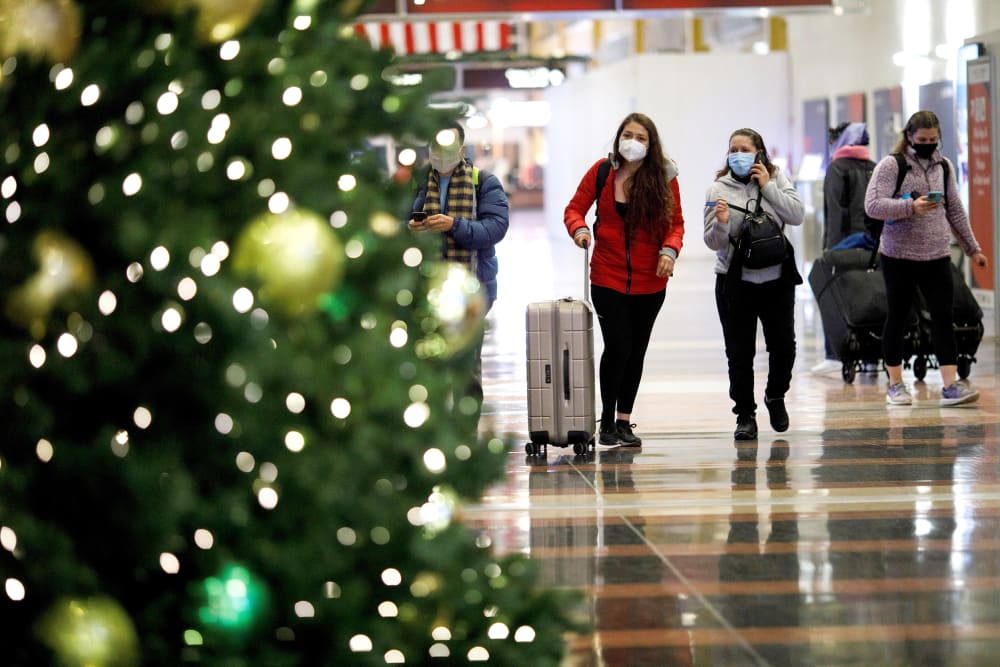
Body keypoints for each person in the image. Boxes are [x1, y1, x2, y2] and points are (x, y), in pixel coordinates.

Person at [563, 112, 685, 447]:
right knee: (618, 345)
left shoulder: (664, 177)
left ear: (651, 144)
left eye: (641, 137)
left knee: (637, 350)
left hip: (651, 282)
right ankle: (606, 423)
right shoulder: (602, 172)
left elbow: (676, 224)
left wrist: (668, 252)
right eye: (628, 135)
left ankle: (624, 421)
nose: (633, 142)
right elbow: (574, 209)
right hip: (607, 277)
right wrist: (580, 230)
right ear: (618, 138)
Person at [864, 110, 987, 407]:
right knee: (898, 316)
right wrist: (909, 208)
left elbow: (955, 210)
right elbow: (873, 205)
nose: (928, 144)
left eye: (933, 140)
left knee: (944, 318)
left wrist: (973, 248)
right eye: (922, 139)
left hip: (936, 255)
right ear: (909, 136)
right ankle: (895, 384)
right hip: (898, 255)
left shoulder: (943, 167)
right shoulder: (892, 166)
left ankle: (950, 385)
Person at [704, 128, 804, 440]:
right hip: (735, 283)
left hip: (776, 279)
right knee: (739, 352)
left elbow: (797, 214)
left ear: (759, 152)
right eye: (733, 148)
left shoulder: (778, 179)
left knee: (784, 347)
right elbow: (710, 241)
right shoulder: (716, 188)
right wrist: (720, 224)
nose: (738, 154)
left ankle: (775, 396)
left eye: (745, 148)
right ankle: (745, 415)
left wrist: (768, 186)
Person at [409, 122, 509, 403]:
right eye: (436, 146)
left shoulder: (483, 182)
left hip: (472, 291)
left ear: (463, 149)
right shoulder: (418, 183)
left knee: (466, 372)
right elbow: (393, 221)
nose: (441, 153)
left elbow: (496, 228)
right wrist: (408, 229)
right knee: (428, 371)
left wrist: (454, 225)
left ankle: (466, 440)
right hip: (425, 290)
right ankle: (432, 437)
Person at [811, 122, 879, 376]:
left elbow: (835, 214)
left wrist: (830, 251)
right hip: (873, 245)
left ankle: (835, 355)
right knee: (870, 297)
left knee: (834, 296)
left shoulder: (837, 168)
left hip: (844, 245)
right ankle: (872, 356)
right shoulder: (874, 168)